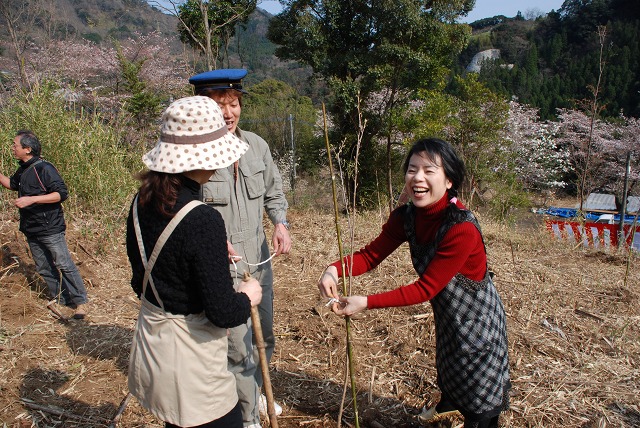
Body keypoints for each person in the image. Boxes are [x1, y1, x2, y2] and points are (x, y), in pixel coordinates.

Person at [318, 138, 511, 428]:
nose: (418, 178)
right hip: (448, 316)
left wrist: (365, 302)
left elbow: (426, 288)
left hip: (478, 323)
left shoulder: (461, 228)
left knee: (480, 401)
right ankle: (447, 407)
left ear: (449, 181)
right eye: (412, 169)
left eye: (429, 170)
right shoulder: (407, 217)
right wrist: (333, 270)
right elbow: (370, 256)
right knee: (451, 369)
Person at [126, 95, 263, 428]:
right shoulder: (202, 220)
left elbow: (142, 278)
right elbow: (223, 312)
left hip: (155, 348)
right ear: (201, 158)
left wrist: (207, 254)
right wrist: (248, 295)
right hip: (192, 366)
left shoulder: (142, 200)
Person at [188, 68, 292, 428]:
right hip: (222, 264)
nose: (229, 112)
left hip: (259, 259)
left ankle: (258, 391)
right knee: (237, 345)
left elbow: (274, 192)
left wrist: (280, 223)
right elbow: (187, 212)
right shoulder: (194, 155)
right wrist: (213, 239)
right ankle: (247, 417)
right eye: (220, 105)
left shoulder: (256, 146)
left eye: (233, 103)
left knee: (265, 333)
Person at [0, 130, 88, 319]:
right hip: (31, 228)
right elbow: (12, 184)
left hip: (50, 228)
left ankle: (80, 302)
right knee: (44, 267)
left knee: (63, 263)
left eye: (15, 145)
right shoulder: (23, 169)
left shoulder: (44, 168)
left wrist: (31, 199)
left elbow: (61, 194)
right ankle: (62, 299)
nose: (12, 148)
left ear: (27, 149)